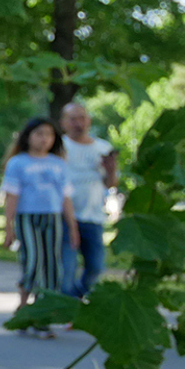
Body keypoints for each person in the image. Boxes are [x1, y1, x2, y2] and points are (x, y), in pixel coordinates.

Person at [0, 117, 79, 339]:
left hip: (52, 218)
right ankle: (24, 307)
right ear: (28, 136)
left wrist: (73, 227)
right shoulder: (18, 163)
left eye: (49, 135)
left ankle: (42, 316)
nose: (44, 139)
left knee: (52, 267)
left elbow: (66, 198)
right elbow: (12, 197)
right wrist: (8, 227)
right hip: (28, 218)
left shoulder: (58, 164)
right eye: (39, 134)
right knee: (33, 261)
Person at [59, 103, 118, 300]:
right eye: (73, 119)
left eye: (82, 118)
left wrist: (111, 170)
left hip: (93, 216)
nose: (79, 123)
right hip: (64, 217)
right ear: (63, 122)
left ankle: (75, 298)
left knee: (96, 267)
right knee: (66, 269)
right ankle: (69, 306)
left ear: (89, 120)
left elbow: (111, 184)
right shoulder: (58, 147)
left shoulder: (103, 148)